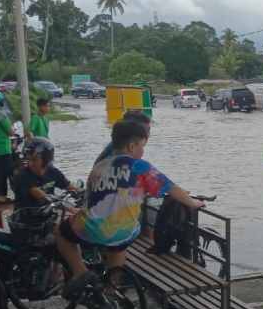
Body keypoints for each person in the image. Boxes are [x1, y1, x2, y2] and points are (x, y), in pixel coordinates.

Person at [56, 119, 205, 297]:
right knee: (118, 245)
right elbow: (171, 188)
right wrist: (194, 203)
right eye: (142, 146)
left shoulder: (100, 166)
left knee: (61, 232)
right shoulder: (140, 167)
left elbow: (91, 198)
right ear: (132, 146)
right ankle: (112, 289)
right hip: (125, 232)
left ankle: (80, 271)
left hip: (92, 229)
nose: (143, 151)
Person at [11, 138, 76, 210]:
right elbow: (43, 197)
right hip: (25, 218)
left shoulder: (53, 172)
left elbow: (70, 187)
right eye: (28, 159)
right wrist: (71, 208)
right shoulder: (22, 175)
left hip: (48, 215)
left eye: (34, 160)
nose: (30, 163)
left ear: (46, 159)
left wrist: (84, 193)